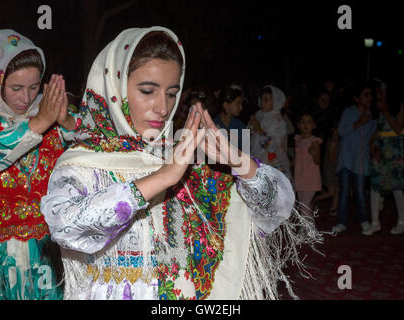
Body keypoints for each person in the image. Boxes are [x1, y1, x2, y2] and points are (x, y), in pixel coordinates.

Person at [40, 27, 321, 300]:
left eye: (172, 93)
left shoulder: (182, 155)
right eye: (148, 91)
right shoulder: (84, 161)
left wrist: (239, 162)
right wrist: (161, 178)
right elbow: (64, 226)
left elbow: (275, 209)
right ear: (114, 88)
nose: (163, 107)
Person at [0, 29, 76, 299]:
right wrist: (40, 122)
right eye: (16, 88)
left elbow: (92, 147)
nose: (26, 98)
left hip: (44, 252)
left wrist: (66, 123)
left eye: (33, 87)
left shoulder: (52, 110)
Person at [364, 82, 404, 235]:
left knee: (396, 186)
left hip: (396, 152)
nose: (378, 94)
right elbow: (381, 130)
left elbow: (398, 128)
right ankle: (375, 222)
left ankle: (402, 221)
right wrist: (373, 144)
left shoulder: (398, 106)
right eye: (376, 91)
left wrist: (385, 111)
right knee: (375, 184)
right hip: (383, 151)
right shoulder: (379, 109)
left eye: (381, 91)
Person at [332, 81, 376, 234]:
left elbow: (371, 138)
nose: (369, 98)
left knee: (359, 191)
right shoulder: (349, 112)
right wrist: (358, 123)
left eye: (370, 95)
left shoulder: (372, 115)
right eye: (366, 95)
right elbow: (341, 130)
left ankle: (364, 220)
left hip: (361, 160)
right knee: (344, 191)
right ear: (357, 98)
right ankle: (341, 222)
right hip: (346, 159)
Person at [249, 85, 292, 180]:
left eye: (266, 100)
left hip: (271, 161)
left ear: (275, 101)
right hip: (255, 156)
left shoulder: (279, 121)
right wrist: (251, 128)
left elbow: (274, 146)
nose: (262, 103)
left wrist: (259, 129)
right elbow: (250, 136)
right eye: (261, 99)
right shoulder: (259, 115)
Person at [293, 113, 322, 217]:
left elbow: (318, 161)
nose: (306, 125)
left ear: (314, 125)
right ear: (298, 125)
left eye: (309, 122)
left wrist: (314, 154)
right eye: (303, 122)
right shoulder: (297, 139)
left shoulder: (314, 141)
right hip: (300, 177)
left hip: (311, 179)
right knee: (303, 206)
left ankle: (309, 231)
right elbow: (296, 159)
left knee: (304, 207)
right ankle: (306, 229)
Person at [312, 125, 340, 216]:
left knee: (337, 190)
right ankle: (315, 199)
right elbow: (332, 157)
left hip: (333, 168)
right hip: (331, 169)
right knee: (332, 192)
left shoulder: (336, 140)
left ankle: (334, 209)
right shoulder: (333, 141)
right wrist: (340, 165)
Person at [213, 85, 247, 151]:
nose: (241, 108)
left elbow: (246, 149)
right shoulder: (214, 123)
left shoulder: (240, 126)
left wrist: (230, 135)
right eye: (238, 103)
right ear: (226, 105)